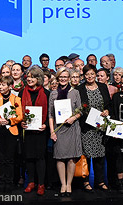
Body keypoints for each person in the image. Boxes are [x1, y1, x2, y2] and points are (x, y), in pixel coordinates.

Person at [49, 67, 82, 196]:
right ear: (57, 78)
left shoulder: (75, 92)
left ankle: (69, 184)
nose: (63, 79)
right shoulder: (53, 94)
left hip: (72, 128)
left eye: (65, 77)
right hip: (59, 129)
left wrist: (73, 118)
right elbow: (50, 115)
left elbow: (80, 111)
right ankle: (63, 183)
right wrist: (52, 132)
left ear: (69, 78)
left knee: (71, 158)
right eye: (61, 77)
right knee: (60, 157)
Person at [77, 64, 111, 192]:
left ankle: (100, 181)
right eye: (87, 74)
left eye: (92, 74)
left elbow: (108, 103)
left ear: (95, 74)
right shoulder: (80, 89)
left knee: (100, 156)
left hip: (100, 128)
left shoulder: (102, 87)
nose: (89, 76)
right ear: (84, 76)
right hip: (87, 127)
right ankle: (85, 181)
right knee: (86, 156)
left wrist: (107, 110)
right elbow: (80, 107)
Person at [0, 75, 23, 193]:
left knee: (9, 159)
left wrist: (9, 121)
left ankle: (9, 183)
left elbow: (20, 116)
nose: (1, 87)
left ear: (9, 86)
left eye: (3, 85)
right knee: (0, 159)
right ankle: (1, 182)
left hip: (11, 131)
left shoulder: (16, 99)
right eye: (0, 84)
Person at [20, 66, 50, 196]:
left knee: (40, 158)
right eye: (28, 77)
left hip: (41, 131)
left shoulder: (46, 93)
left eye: (33, 77)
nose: (30, 79)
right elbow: (19, 111)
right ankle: (31, 182)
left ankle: (41, 184)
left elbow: (50, 113)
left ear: (39, 79)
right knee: (29, 157)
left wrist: (46, 126)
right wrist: (21, 121)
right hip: (27, 131)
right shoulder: (22, 92)